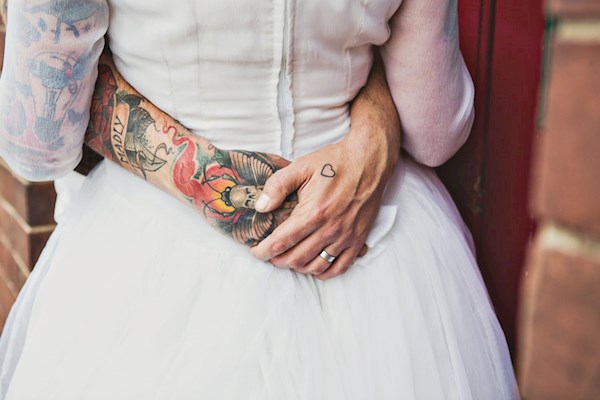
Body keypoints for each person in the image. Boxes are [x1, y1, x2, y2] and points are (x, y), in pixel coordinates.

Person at [0, 0, 519, 398]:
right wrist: (373, 116)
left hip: (151, 251)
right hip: (380, 247)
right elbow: (434, 130)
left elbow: (40, 139)